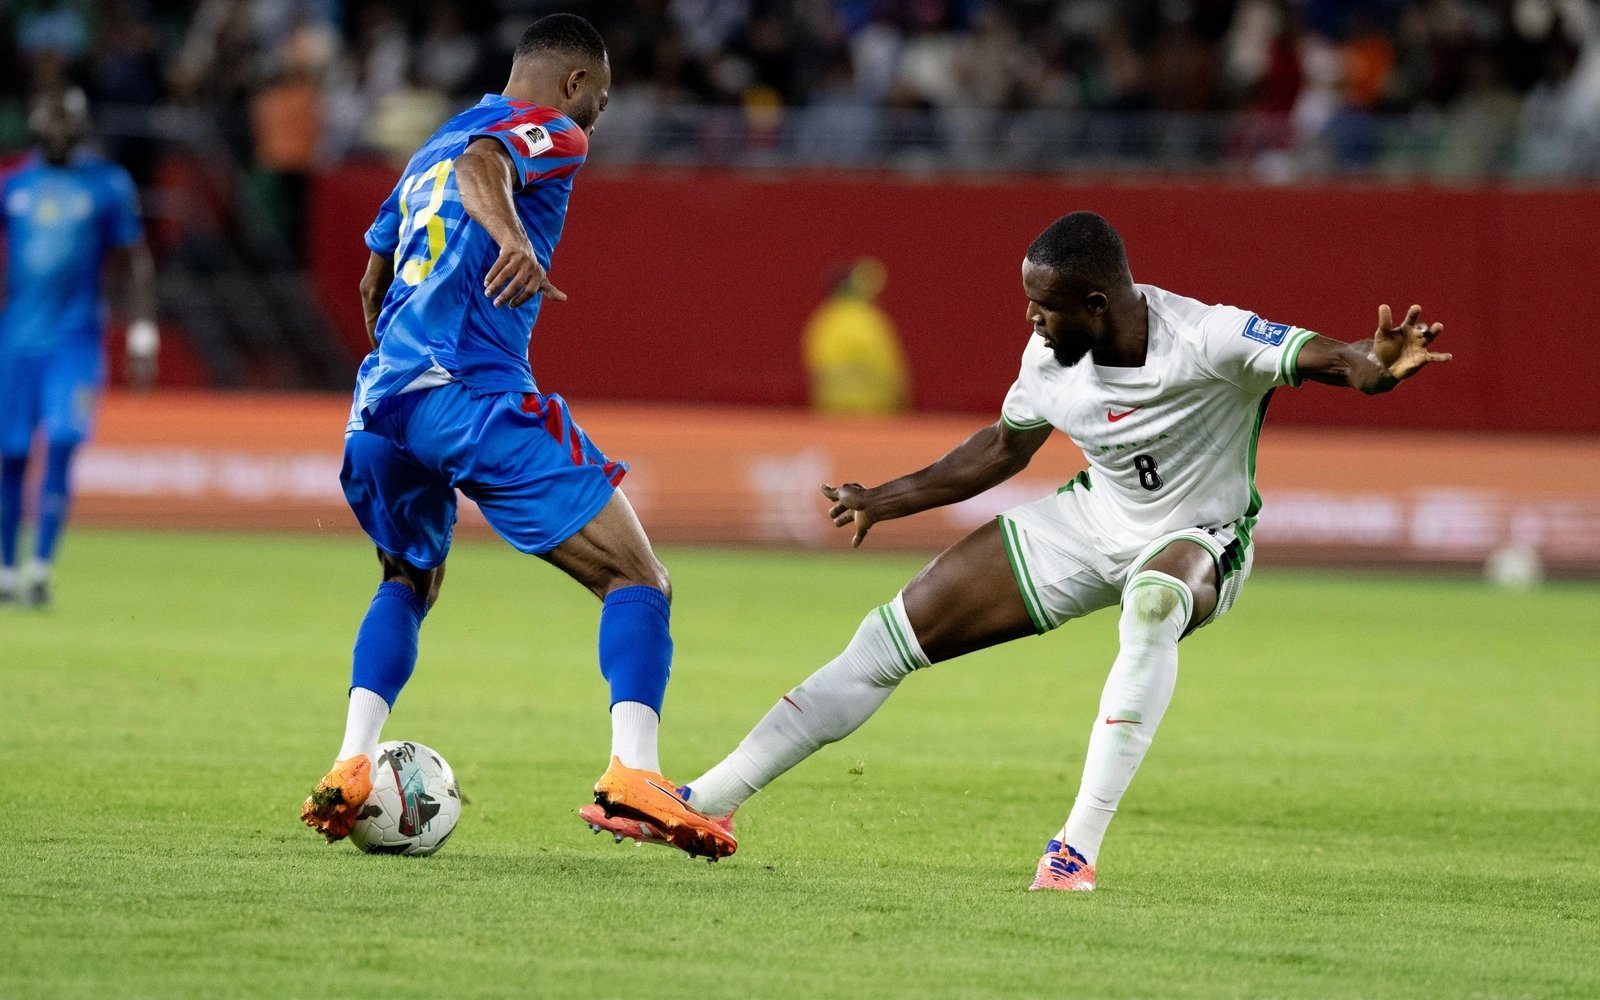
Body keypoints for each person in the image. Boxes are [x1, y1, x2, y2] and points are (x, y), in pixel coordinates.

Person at [583, 210, 1449, 887]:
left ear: (1099, 305)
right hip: (1090, 521)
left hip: (1200, 535)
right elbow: (1001, 451)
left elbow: (1334, 359)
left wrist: (1377, 362)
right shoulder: (1048, 359)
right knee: (887, 638)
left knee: (1152, 606)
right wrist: (885, 499)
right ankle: (706, 801)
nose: (1031, 319)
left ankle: (1075, 848)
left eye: (1044, 303)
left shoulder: (1208, 337)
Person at [299, 14, 735, 861]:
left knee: (410, 579)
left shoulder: (431, 142)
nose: (594, 124)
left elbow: (373, 270)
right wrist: (510, 240)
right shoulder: (546, 134)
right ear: (573, 85)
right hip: (468, 390)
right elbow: (484, 168)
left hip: (379, 405)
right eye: (598, 104)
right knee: (637, 575)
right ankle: (634, 774)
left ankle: (353, 761)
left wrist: (402, 345)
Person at [0, 87, 158, 609]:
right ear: (36, 122)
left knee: (64, 441)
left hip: (75, 341)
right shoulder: (13, 184)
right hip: (15, 342)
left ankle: (41, 567)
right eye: (50, 117)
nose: (59, 128)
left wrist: (141, 331)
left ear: (82, 123)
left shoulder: (108, 185)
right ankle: (5, 569)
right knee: (12, 454)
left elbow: (134, 259)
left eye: (68, 118)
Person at [802, 257, 910, 414]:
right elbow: (885, 363)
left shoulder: (823, 320)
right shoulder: (865, 318)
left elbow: (816, 365)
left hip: (831, 410)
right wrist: (901, 395)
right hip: (872, 410)